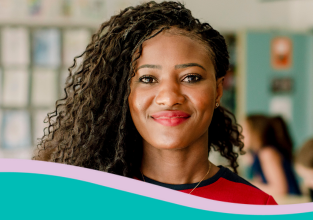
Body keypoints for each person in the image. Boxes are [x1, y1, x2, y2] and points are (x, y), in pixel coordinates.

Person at [33, 1, 277, 205]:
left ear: (218, 91)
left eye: (191, 78)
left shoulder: (256, 207)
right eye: (148, 79)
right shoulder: (84, 200)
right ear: (124, 94)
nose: (169, 97)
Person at [242, 115, 301, 197]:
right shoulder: (257, 155)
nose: (240, 135)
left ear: (257, 133)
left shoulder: (267, 153)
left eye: (245, 130)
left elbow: (280, 190)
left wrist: (245, 185)